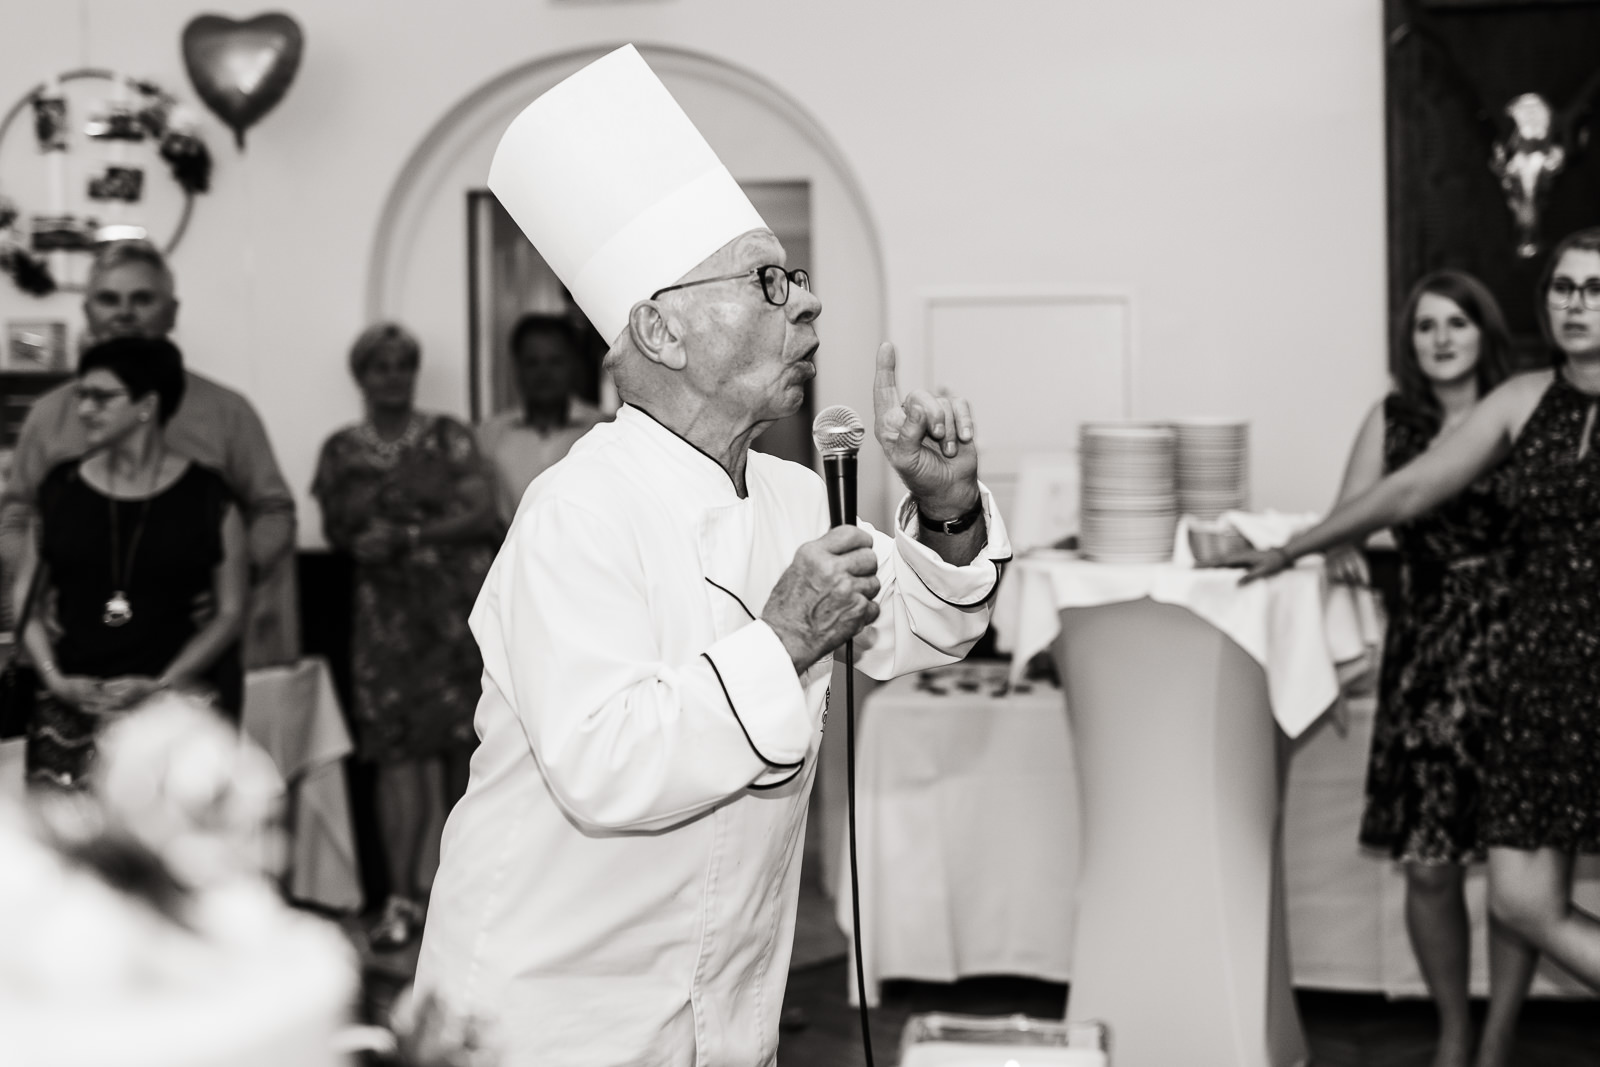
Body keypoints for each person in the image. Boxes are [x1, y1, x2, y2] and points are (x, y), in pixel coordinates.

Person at [414, 46, 1011, 1066]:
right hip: (551, 1005)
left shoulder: (788, 491)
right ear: (661, 329)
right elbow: (606, 763)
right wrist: (778, 640)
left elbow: (932, 628)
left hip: (722, 995)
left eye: (800, 279)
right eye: (769, 281)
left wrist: (945, 504)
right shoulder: (577, 509)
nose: (807, 304)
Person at [1225, 229, 1600, 1017]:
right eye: (1565, 288)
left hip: (1565, 662)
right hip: (1540, 674)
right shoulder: (1526, 399)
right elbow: (1405, 491)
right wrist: (1299, 545)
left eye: (1595, 289)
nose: (1577, 304)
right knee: (1520, 895)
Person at [1321, 270, 1532, 1067]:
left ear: (1485, 332)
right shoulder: (1394, 419)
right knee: (1430, 863)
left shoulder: (1526, 410)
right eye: (1424, 327)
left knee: (1521, 865)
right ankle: (1452, 1026)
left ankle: (1501, 1033)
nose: (1440, 338)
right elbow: (1350, 512)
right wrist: (1337, 542)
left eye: (1457, 323)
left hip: (1519, 654)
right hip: (1428, 657)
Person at [0, 239, 297, 672]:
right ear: (87, 312)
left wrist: (232, 579)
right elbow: (16, 514)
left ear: (172, 312)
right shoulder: (50, 415)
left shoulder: (227, 411)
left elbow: (273, 510)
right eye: (108, 299)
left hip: (195, 652)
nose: (125, 313)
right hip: (74, 650)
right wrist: (36, 588)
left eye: (142, 299)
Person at [311, 322, 498, 952]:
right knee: (395, 756)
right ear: (360, 375)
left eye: (402, 365)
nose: (392, 376)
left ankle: (453, 892)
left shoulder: (449, 435)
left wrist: (413, 538)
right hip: (383, 621)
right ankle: (400, 897)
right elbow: (337, 528)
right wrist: (362, 541)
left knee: (455, 753)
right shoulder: (340, 450)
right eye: (379, 366)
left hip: (448, 613)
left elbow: (481, 512)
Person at [12, 337, 246, 789]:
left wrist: (161, 684)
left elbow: (231, 611)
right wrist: (54, 678)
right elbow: (26, 595)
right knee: (63, 857)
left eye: (101, 396)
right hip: (68, 714)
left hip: (174, 717)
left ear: (147, 405)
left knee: (168, 856)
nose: (84, 409)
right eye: (81, 394)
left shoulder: (209, 499)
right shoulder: (61, 488)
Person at [475, 312, 605, 526]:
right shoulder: (489, 435)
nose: (544, 373)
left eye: (555, 361)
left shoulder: (601, 429)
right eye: (532, 362)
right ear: (517, 367)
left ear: (573, 365)